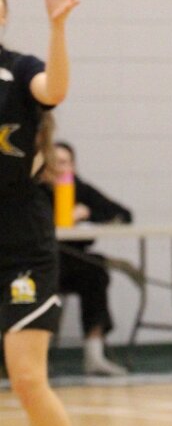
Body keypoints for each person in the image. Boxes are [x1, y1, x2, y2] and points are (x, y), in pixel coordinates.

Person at [0, 0, 98, 426]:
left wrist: (57, 27)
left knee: (28, 378)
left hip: (20, 248)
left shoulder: (18, 71)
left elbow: (54, 90)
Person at [42, 141, 132, 377]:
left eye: (65, 162)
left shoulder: (79, 189)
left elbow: (123, 214)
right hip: (43, 262)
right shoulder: (35, 192)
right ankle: (36, 356)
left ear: (73, 166)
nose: (61, 168)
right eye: (55, 163)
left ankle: (94, 354)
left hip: (73, 261)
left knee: (96, 271)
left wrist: (88, 213)